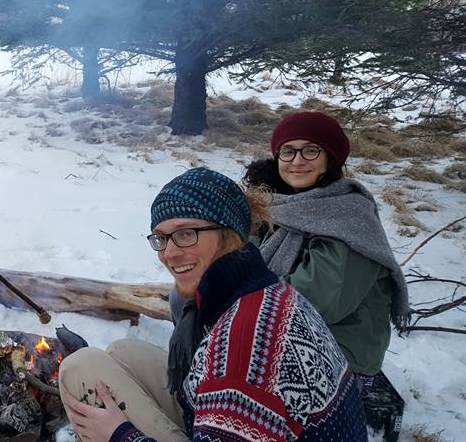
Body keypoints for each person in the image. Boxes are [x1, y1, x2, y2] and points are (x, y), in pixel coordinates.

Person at [58, 168, 367, 442]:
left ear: (230, 235)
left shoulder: (243, 342)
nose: (169, 253)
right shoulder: (264, 288)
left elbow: (241, 368)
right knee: (122, 353)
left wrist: (120, 435)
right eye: (162, 238)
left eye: (186, 234)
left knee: (78, 368)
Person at [243, 111, 410, 384]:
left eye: (310, 151)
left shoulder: (349, 218)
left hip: (337, 356)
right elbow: (241, 257)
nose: (297, 161)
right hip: (290, 335)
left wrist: (235, 287)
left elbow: (315, 302)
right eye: (288, 151)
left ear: (330, 158)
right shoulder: (280, 206)